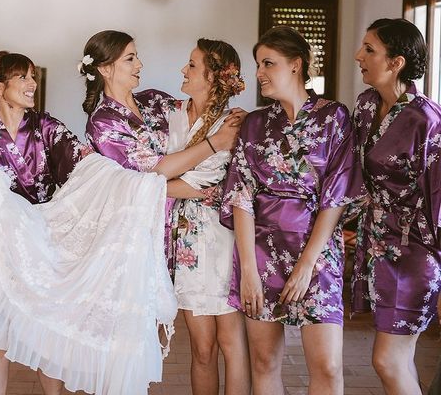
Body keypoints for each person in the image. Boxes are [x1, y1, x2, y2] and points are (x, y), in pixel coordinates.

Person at [221, 26, 365, 395]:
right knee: (264, 363)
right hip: (261, 253)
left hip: (317, 255)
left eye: (268, 63)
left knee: (328, 367)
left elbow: (337, 193)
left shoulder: (334, 116)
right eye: (258, 64)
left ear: (297, 65)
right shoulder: (254, 124)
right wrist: (249, 271)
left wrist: (306, 265)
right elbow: (240, 194)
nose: (259, 73)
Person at [0, 51, 90, 395]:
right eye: (22, 77)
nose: (31, 84)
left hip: (46, 242)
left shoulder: (46, 127)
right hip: (2, 247)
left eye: (32, 76)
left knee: (48, 336)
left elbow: (81, 166)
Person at [351, 18, 441, 395]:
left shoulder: (427, 120)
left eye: (370, 50)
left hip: (416, 252)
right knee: (399, 361)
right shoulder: (365, 106)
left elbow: (439, 199)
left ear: (396, 62)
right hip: (375, 245)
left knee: (387, 360)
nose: (359, 56)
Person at [167, 38, 250, 395]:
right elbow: (146, 169)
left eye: (192, 65)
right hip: (184, 242)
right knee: (202, 348)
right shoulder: (168, 114)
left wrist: (161, 180)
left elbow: (198, 180)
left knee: (232, 345)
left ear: (215, 76)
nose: (183, 70)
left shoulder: (234, 123)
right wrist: (163, 179)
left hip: (223, 239)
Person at [82, 29, 244, 193]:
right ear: (105, 69)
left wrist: (246, 120)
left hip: (179, 212)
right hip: (141, 213)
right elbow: (153, 171)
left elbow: (200, 112)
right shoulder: (102, 124)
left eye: (137, 57)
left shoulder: (154, 99)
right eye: (130, 59)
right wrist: (217, 141)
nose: (140, 65)